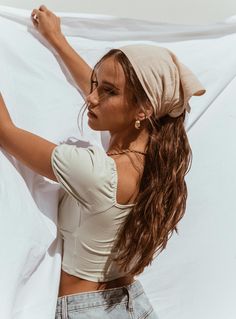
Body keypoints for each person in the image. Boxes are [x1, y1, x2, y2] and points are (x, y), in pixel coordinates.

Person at [0, 5, 206, 319]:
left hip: (88, 311)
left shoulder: (97, 173)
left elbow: (5, 132)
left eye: (107, 91)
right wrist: (57, 40)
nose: (92, 98)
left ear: (143, 110)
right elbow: (104, 93)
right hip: (130, 303)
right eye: (96, 84)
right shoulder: (159, 157)